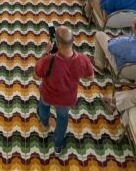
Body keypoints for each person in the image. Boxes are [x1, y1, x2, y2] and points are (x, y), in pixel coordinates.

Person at [34, 25, 93, 154]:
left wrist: (45, 52)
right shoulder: (83, 59)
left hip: (48, 94)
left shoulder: (48, 60)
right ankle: (58, 145)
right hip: (67, 99)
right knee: (62, 119)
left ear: (58, 44)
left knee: (43, 107)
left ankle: (45, 124)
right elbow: (90, 77)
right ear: (73, 40)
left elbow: (35, 75)